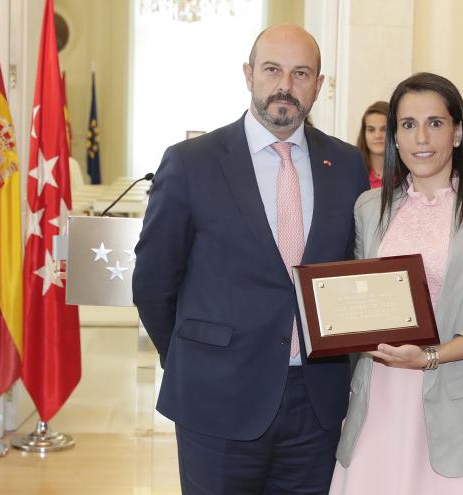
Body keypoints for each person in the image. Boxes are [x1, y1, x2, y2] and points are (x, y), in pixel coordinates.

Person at [132, 24, 369, 494]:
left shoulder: (346, 165)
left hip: (316, 402)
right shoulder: (191, 162)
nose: (286, 85)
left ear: (319, 86)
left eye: (301, 73)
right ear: (248, 75)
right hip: (216, 396)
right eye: (272, 69)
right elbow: (154, 283)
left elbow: (351, 269)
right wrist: (193, 357)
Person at [330, 72, 463, 494]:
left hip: (457, 400)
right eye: (408, 124)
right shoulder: (369, 208)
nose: (421, 137)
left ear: (457, 132)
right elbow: (356, 304)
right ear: (395, 137)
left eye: (435, 123)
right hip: (379, 398)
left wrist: (430, 356)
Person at [356, 101, 388, 188]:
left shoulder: (408, 176)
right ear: (364, 134)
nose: (378, 136)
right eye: (371, 130)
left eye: (384, 129)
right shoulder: (353, 173)